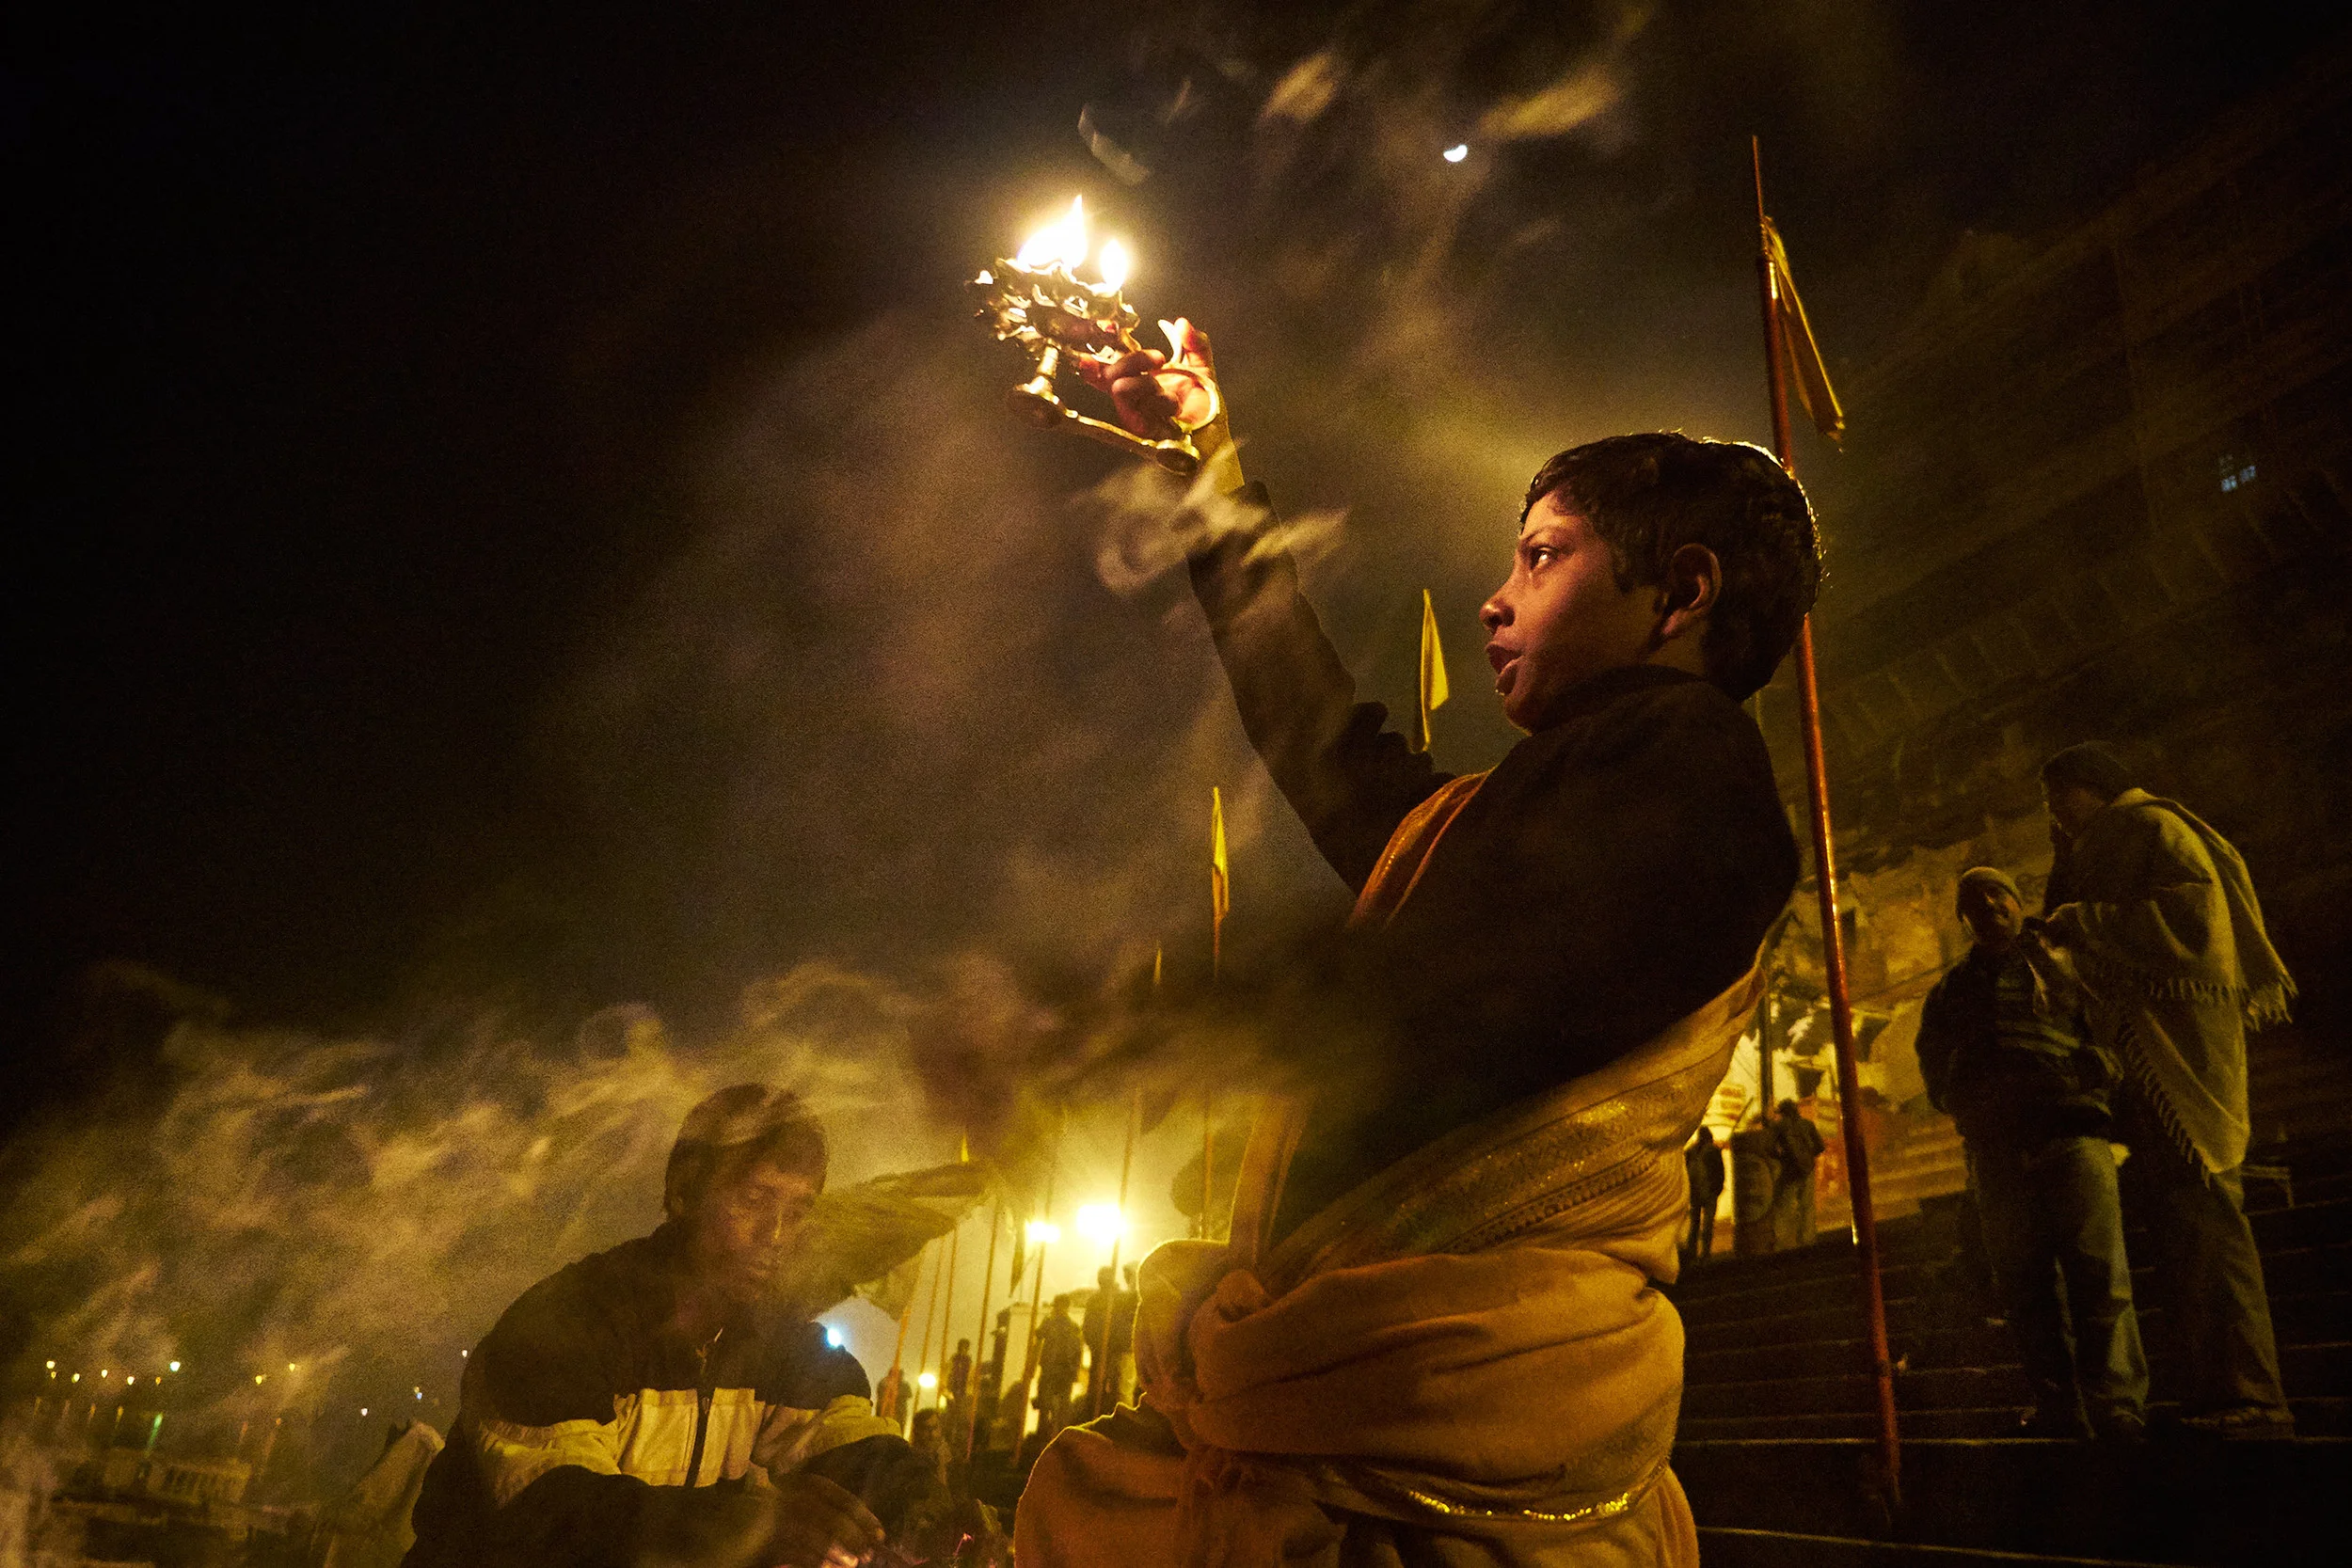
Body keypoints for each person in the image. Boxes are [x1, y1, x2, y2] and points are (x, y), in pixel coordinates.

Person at [1018, 325, 1814, 1565]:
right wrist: (1204, 464)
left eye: (1543, 557)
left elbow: (1472, 977)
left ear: (1684, 591)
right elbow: (1323, 737)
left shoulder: (1704, 781)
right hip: (1336, 1423)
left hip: (1463, 1451)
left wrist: (1139, 1017)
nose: (1497, 595)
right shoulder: (1479, 822)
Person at [404, 1085, 949, 1568]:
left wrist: (929, 1512)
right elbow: (555, 1514)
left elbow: (852, 1443)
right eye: (754, 1199)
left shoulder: (780, 1344)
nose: (778, 1234)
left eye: (799, 1210)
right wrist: (756, 1528)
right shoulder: (567, 1324)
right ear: (683, 1194)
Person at [2037, 742, 2297, 1439]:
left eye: (2056, 796)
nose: (2052, 814)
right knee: (2182, 1229)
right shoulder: (2102, 845)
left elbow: (2191, 925)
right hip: (2145, 1057)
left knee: (2209, 1220)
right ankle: (2218, 1392)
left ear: (2091, 786)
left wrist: (2084, 920)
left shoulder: (2155, 828)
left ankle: (2255, 1396)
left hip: (2184, 1053)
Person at [1915, 866, 2147, 1440]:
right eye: (1973, 900)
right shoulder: (1949, 991)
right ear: (1963, 920)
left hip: (2072, 1133)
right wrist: (1960, 1098)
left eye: (1998, 893)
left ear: (2017, 903)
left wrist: (2088, 1075)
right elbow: (1932, 1064)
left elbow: (2111, 1032)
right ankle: (2058, 1405)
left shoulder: (2063, 962)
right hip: (1996, 1151)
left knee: (2099, 1275)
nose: (1989, 904)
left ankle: (2116, 1405)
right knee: (2024, 1285)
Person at [1766, 1100, 1825, 1249]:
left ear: (1783, 1113)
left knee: (1782, 1205)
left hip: (1789, 1170)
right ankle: (1807, 1240)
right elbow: (1820, 1146)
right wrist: (1808, 1156)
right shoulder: (1807, 1124)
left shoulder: (1779, 1126)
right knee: (1807, 1206)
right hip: (1808, 1169)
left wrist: (1782, 1158)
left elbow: (1769, 1147)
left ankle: (1782, 1242)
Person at [1032, 1295, 1083, 1434]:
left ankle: (1043, 1433)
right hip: (1065, 1370)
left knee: (1045, 1402)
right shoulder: (1073, 1327)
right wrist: (1075, 1372)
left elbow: (1038, 1337)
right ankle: (1060, 1433)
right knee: (1062, 1405)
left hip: (1052, 1368)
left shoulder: (1050, 1323)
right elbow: (1078, 1351)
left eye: (1056, 1306)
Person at [1682, 1127, 1724, 1263]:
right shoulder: (1713, 1151)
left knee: (1694, 1224)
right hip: (1710, 1192)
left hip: (1695, 1192)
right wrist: (1717, 1189)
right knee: (1707, 1224)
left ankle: (1691, 1251)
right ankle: (1705, 1252)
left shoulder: (1690, 1152)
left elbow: (1685, 1172)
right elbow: (1720, 1172)